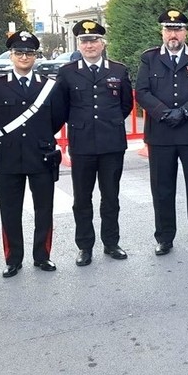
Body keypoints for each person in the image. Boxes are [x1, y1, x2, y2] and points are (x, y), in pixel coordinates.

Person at [0, 30, 67, 277]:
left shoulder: (50, 86)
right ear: (11, 55)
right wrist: (5, 138)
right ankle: (13, 259)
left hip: (41, 155)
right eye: (19, 52)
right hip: (8, 158)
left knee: (44, 209)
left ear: (36, 56)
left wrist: (40, 137)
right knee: (10, 211)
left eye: (29, 53)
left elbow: (57, 118)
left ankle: (42, 256)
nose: (24, 57)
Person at [135, 10, 188, 255]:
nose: (173, 34)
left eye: (178, 29)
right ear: (162, 32)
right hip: (161, 135)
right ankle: (164, 237)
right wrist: (164, 113)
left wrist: (184, 112)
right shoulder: (149, 58)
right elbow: (142, 91)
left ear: (186, 33)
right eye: (169, 29)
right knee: (162, 189)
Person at [56, 19, 133, 266]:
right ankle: (85, 246)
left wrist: (109, 123)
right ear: (79, 44)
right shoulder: (67, 72)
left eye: (94, 41)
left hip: (112, 144)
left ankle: (111, 243)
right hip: (82, 144)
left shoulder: (118, 70)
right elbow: (62, 107)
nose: (89, 45)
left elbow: (126, 104)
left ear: (103, 43)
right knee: (82, 199)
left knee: (111, 197)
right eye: (84, 41)